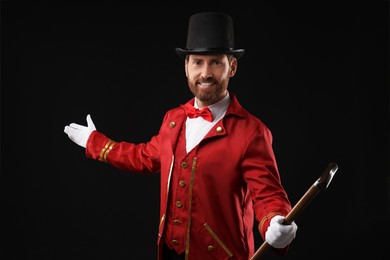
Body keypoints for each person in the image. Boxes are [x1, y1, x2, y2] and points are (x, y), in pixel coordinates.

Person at [64, 11, 298, 260]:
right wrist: (96, 142)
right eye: (197, 62)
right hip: (170, 252)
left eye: (216, 62)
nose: (205, 73)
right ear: (186, 67)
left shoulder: (252, 132)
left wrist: (275, 222)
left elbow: (269, 196)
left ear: (233, 67)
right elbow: (144, 157)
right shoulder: (174, 119)